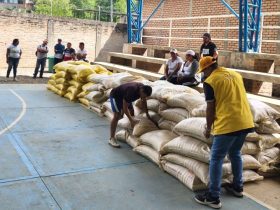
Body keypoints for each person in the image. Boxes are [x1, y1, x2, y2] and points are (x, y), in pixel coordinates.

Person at [194, 56, 254, 209]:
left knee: (216, 158)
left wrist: (208, 128)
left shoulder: (210, 82)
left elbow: (210, 108)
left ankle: (213, 196)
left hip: (228, 124)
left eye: (203, 71)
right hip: (246, 121)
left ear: (208, 68)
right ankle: (237, 187)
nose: (204, 75)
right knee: (235, 153)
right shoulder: (235, 74)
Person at [109, 83, 154, 148]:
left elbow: (144, 101)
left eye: (145, 97)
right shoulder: (131, 91)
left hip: (125, 96)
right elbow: (125, 108)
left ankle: (130, 132)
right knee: (117, 116)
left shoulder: (143, 88)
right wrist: (131, 120)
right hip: (116, 96)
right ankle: (111, 138)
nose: (144, 98)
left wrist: (147, 114)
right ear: (141, 91)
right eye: (143, 96)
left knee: (132, 112)